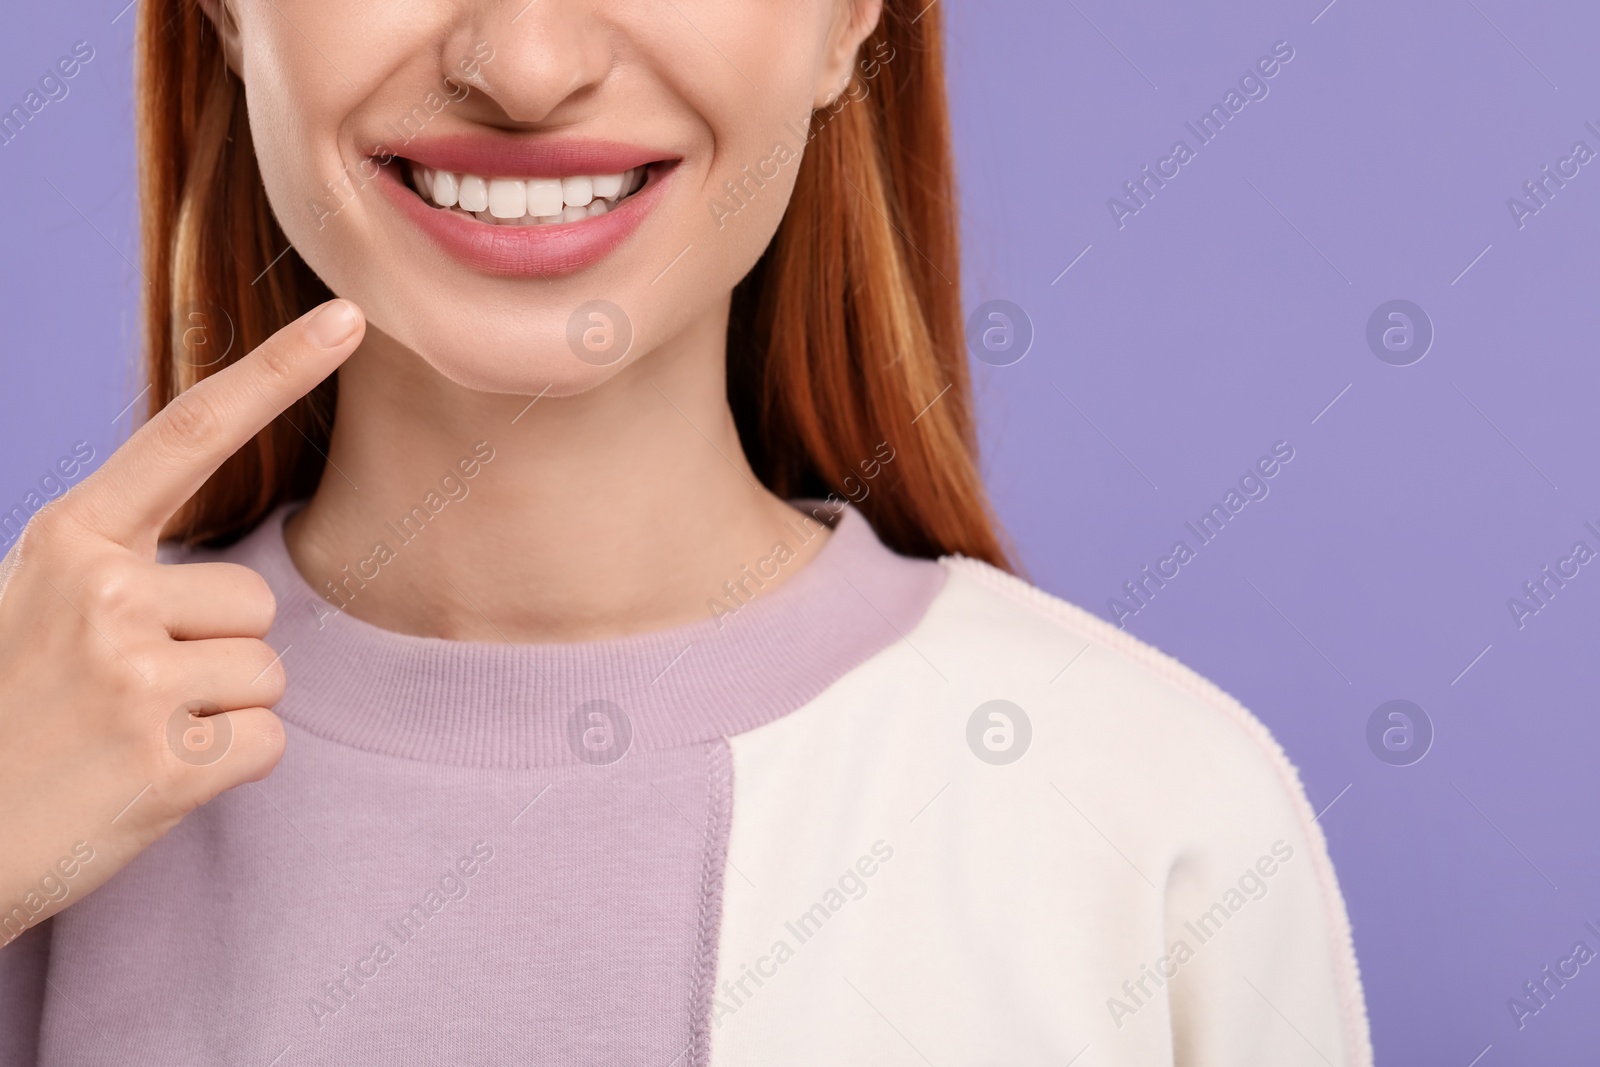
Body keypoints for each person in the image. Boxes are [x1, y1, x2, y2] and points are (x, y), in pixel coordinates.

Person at [0, 0, 1371, 1062]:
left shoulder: (1155, 817)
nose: (526, 66)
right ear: (228, 13)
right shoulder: (30, 773)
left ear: (850, 19)